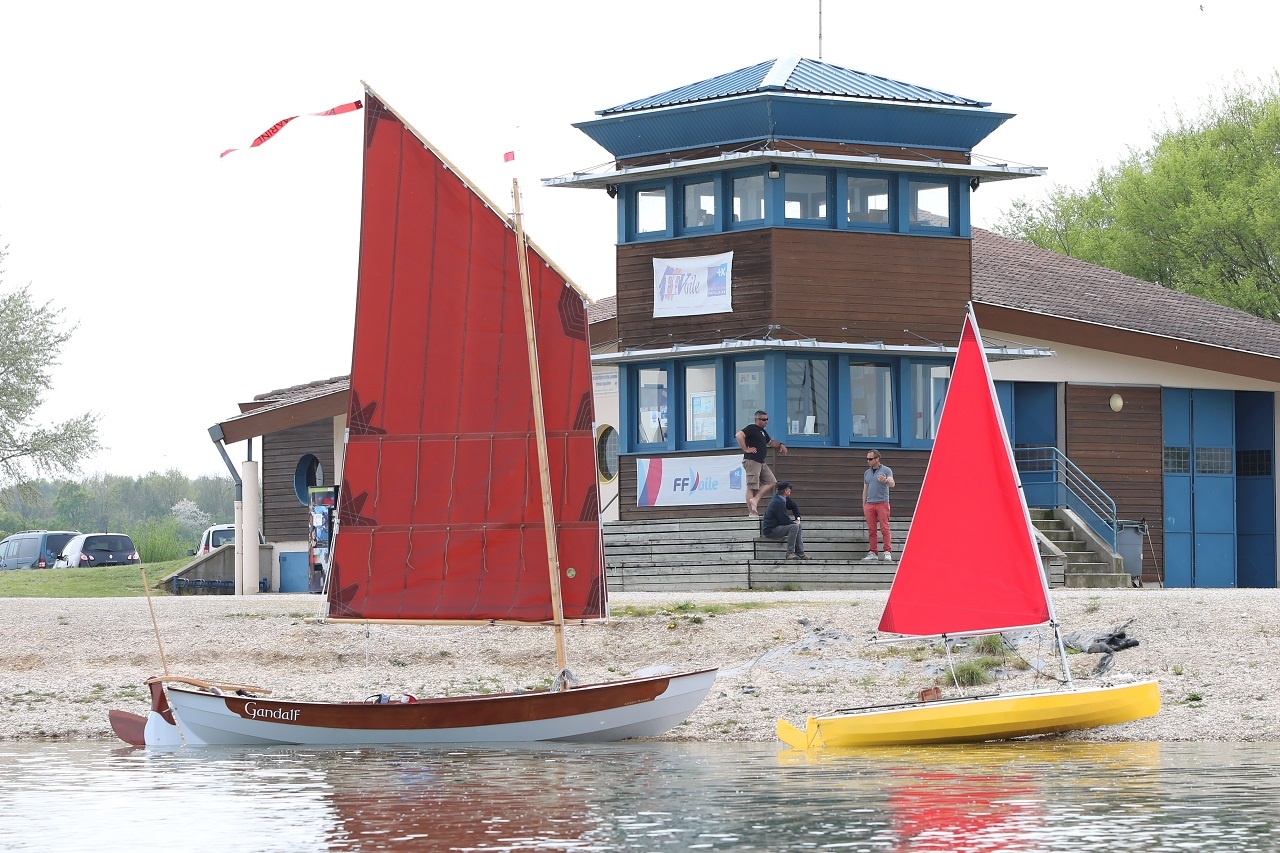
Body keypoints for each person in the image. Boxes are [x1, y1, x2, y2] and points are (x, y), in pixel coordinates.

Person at [861, 450, 896, 562]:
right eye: (867, 459)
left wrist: (885, 480)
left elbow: (892, 483)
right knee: (872, 529)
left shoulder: (886, 470)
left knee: (884, 528)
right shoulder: (867, 473)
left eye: (870, 459)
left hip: (882, 503)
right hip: (870, 504)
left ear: (877, 459)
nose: (868, 461)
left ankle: (887, 551)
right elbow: (865, 489)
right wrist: (864, 504)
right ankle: (873, 552)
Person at [761, 481, 806, 559]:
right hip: (770, 530)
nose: (791, 490)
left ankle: (801, 554)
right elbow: (784, 520)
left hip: (777, 527)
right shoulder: (777, 502)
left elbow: (794, 505)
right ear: (785, 490)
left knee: (798, 526)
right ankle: (790, 553)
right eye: (789, 488)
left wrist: (797, 518)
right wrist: (794, 523)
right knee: (794, 527)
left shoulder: (783, 499)